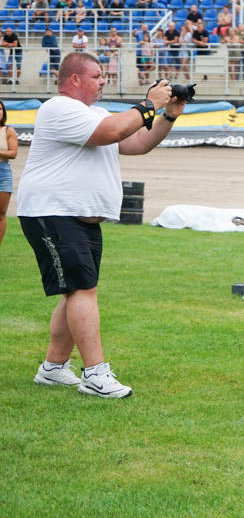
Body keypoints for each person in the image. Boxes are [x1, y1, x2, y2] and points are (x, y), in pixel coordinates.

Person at [18, 52, 185, 398]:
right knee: (82, 290)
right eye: (97, 76)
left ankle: (53, 368)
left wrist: (167, 114)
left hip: (77, 215)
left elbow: (137, 143)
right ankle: (95, 374)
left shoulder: (95, 113)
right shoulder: (58, 108)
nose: (103, 81)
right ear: (75, 79)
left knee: (78, 289)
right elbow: (114, 131)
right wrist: (148, 103)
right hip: (54, 212)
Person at [0, 100, 17, 248]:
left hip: (2, 171)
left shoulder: (8, 131)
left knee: (0, 214)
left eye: (0, 109)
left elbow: (13, 153)